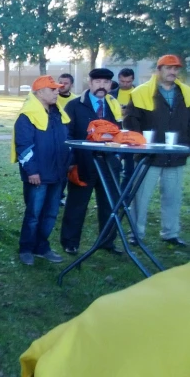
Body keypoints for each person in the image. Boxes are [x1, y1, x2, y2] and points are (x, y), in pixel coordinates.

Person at [125, 55, 189, 247]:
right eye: (168, 68)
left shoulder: (186, 93)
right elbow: (130, 121)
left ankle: (170, 233)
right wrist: (140, 144)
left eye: (175, 69)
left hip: (176, 153)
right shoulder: (140, 92)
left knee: (173, 197)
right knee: (140, 197)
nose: (172, 72)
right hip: (148, 155)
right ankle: (136, 234)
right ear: (159, 70)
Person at [60, 68, 124, 255]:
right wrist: (71, 162)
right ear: (90, 83)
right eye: (97, 82)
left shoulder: (114, 105)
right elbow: (67, 135)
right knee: (76, 204)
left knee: (109, 204)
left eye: (106, 82)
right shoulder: (75, 105)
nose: (102, 86)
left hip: (109, 165)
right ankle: (70, 243)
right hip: (83, 163)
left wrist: (118, 157)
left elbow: (120, 133)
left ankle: (107, 241)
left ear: (111, 85)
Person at [12, 76, 70, 265]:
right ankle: (26, 248)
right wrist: (32, 171)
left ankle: (42, 247)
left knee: (51, 213)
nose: (57, 92)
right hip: (38, 175)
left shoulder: (58, 113)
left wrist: (69, 163)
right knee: (33, 214)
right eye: (52, 89)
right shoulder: (27, 116)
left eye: (57, 89)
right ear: (39, 92)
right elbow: (23, 146)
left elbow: (65, 141)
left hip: (58, 174)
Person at [111, 68, 137, 187]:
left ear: (133, 80)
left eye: (128, 82)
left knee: (130, 170)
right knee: (112, 168)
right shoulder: (111, 95)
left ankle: (124, 198)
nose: (125, 84)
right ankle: (112, 197)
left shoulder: (139, 94)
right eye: (122, 81)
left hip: (133, 135)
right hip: (114, 134)